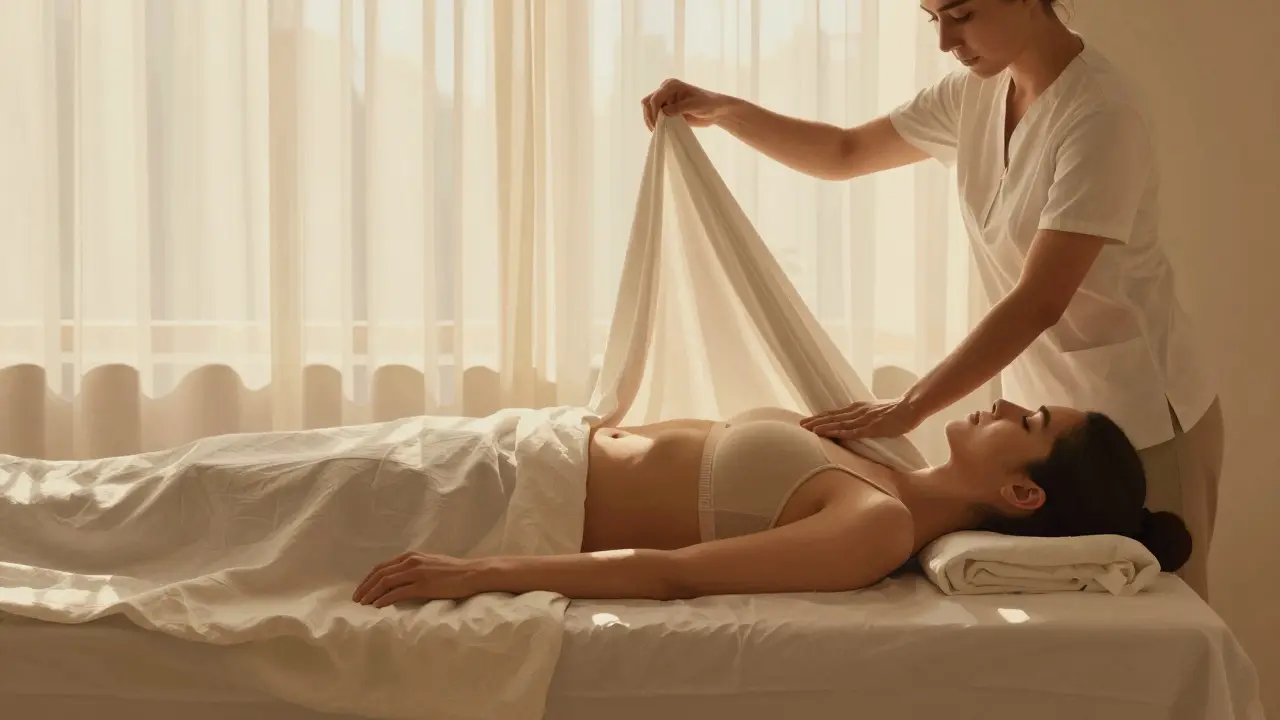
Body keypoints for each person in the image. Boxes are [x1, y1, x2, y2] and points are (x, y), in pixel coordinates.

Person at [636, 0, 1222, 601]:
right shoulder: (975, 93)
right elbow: (845, 152)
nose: (945, 40)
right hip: (1040, 423)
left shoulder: (1102, 116)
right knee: (1062, 627)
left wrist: (911, 407)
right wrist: (723, 109)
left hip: (1141, 420)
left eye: (961, 13)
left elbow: (1039, 300)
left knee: (1164, 619)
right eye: (931, 16)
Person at [353, 401, 1191, 607]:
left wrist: (480, 573)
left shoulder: (878, 526)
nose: (1003, 403)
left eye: (1028, 421)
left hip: (500, 497)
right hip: (521, 445)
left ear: (1022, 492)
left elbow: (678, 574)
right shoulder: (881, 457)